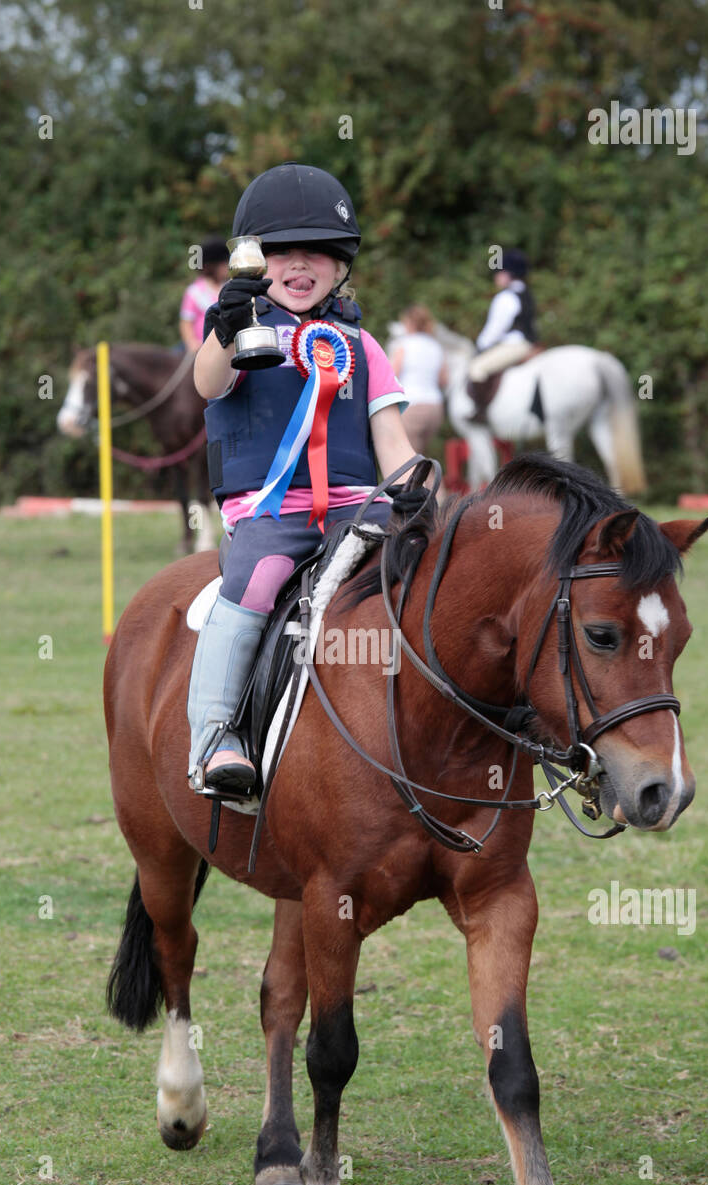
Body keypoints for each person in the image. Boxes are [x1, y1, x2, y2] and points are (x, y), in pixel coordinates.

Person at [187, 161, 417, 798]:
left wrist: (416, 493)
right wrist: (225, 330)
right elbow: (208, 383)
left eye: (316, 252)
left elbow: (392, 441)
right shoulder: (242, 332)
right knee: (258, 580)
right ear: (257, 260)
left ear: (341, 266)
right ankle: (214, 737)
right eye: (282, 251)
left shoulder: (360, 345)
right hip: (269, 514)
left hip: (356, 510)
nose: (299, 264)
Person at [468, 249, 539, 384]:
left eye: (499, 272)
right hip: (531, 344)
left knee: (475, 367)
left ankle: (481, 406)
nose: (496, 276)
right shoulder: (527, 294)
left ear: (509, 273)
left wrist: (480, 346)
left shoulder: (506, 297)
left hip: (514, 345)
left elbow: (495, 329)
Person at [389, 305, 447, 455]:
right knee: (421, 456)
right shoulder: (436, 346)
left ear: (409, 323)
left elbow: (391, 375)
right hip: (434, 407)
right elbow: (444, 380)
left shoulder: (403, 345)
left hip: (411, 405)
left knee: (408, 460)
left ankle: (435, 480)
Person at [179, 238, 230, 352]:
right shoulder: (194, 292)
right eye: (224, 264)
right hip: (200, 347)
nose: (228, 267)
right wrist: (191, 342)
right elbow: (186, 322)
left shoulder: (229, 288)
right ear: (212, 266)